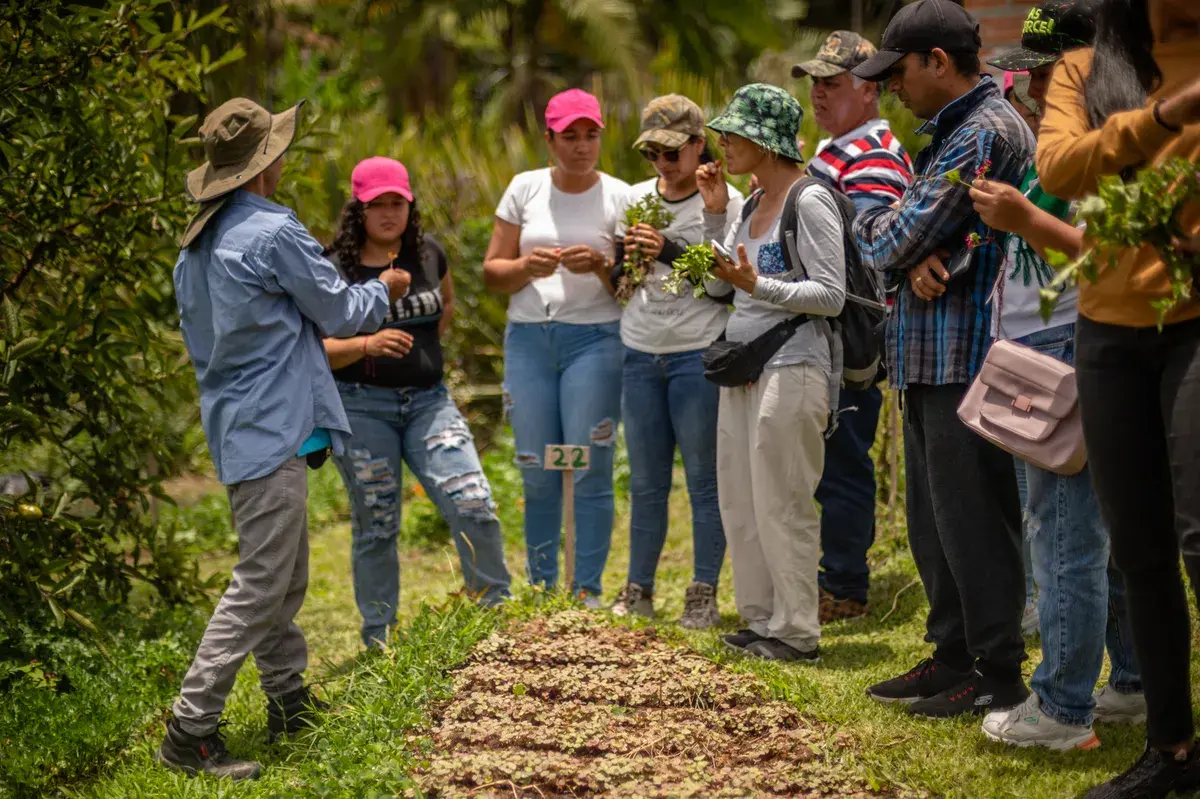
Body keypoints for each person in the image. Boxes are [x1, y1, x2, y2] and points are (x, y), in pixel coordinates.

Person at [160, 99, 410, 779]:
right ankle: (191, 726)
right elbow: (337, 307)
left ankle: (288, 697)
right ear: (266, 162)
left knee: (284, 572)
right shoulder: (271, 230)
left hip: (239, 424)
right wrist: (384, 288)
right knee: (262, 579)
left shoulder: (194, 245)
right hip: (272, 424)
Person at [966, 0, 1146, 752]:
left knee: (1066, 533)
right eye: (1031, 76)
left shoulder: (1108, 137)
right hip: (1051, 345)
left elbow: (1111, 252)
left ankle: (1063, 709)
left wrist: (1023, 219)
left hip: (1070, 345)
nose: (1034, 89)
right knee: (1100, 533)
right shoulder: (1074, 131)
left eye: (1046, 73)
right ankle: (1131, 684)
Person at [851, 0, 1036, 717]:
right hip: (931, 351)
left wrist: (897, 245)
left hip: (967, 355)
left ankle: (996, 668)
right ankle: (954, 652)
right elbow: (899, 239)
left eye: (898, 71)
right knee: (936, 520)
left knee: (973, 518)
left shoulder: (982, 134)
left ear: (937, 61)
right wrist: (905, 248)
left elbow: (888, 239)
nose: (892, 86)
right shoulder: (951, 134)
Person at [1036, 0, 1200, 792]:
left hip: (1196, 320)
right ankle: (1171, 749)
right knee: (1141, 551)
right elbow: (1062, 167)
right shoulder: (1085, 70)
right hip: (1107, 332)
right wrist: (1163, 114)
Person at [323, 157, 512, 649]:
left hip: (430, 403)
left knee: (473, 502)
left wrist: (421, 357)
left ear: (410, 206)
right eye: (377, 205)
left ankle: (494, 615)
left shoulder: (428, 254)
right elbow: (314, 349)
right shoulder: (334, 267)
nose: (389, 213)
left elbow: (444, 308)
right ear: (357, 211)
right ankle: (379, 637)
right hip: (362, 407)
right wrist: (368, 345)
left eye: (397, 203)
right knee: (378, 524)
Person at [698, 83, 847, 662]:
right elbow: (717, 287)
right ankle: (762, 619)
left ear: (765, 140)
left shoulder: (807, 201)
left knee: (784, 498)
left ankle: (797, 631)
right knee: (741, 494)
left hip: (794, 362)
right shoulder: (750, 204)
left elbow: (831, 295)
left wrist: (757, 285)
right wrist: (715, 218)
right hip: (744, 366)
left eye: (733, 134)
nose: (723, 143)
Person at [483, 89, 629, 607]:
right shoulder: (524, 188)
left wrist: (601, 266)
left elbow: (631, 292)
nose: (582, 146)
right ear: (549, 139)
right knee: (538, 468)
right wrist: (526, 267)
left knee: (589, 463)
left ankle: (586, 588)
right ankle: (544, 586)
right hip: (529, 339)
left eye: (591, 134)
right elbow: (492, 271)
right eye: (570, 136)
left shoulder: (621, 197)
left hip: (595, 339)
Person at [792, 30, 915, 623]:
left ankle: (845, 587)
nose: (819, 94)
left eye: (832, 83)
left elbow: (863, 252)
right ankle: (830, 576)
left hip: (851, 341)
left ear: (869, 91)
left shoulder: (876, 158)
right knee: (827, 461)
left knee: (842, 460)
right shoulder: (832, 150)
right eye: (815, 82)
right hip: (822, 333)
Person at [608, 96, 743, 628]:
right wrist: (624, 262)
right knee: (645, 483)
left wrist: (665, 247)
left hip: (696, 353)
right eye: (652, 155)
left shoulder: (723, 202)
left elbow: (720, 289)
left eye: (672, 152)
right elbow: (623, 286)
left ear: (697, 144)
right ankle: (638, 589)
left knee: (705, 482)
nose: (663, 164)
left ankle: (703, 592)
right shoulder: (635, 200)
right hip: (640, 351)